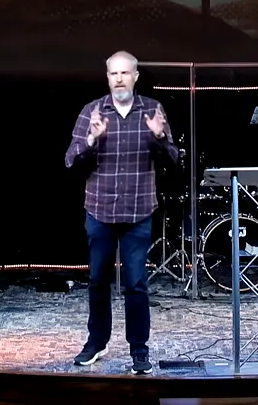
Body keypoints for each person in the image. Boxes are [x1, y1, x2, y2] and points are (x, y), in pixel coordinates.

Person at [64, 51, 179, 374]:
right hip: (99, 210)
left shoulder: (153, 111)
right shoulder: (92, 111)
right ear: (107, 77)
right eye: (113, 74)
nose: (119, 79)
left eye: (125, 73)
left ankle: (139, 349)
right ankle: (96, 342)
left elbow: (173, 159)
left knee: (136, 284)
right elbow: (71, 160)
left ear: (135, 77)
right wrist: (91, 139)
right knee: (98, 280)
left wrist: (158, 136)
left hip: (139, 211)